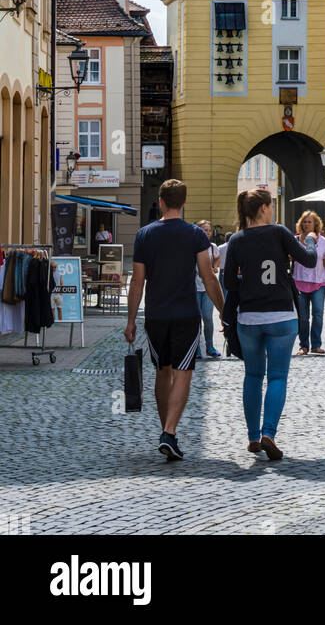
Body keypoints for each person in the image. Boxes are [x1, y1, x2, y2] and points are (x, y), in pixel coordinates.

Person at [124, 178, 224, 461]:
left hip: (156, 315)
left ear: (161, 202)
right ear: (184, 202)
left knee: (162, 371)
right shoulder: (196, 235)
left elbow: (137, 283)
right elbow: (208, 276)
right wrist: (224, 312)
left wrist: (131, 321)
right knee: (183, 372)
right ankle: (169, 432)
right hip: (186, 315)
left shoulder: (144, 235)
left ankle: (167, 431)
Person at [223, 188, 317, 460]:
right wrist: (310, 239)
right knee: (277, 377)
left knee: (252, 376)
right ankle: (268, 433)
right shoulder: (280, 233)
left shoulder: (237, 239)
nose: (273, 210)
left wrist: (248, 281)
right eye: (272, 205)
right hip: (281, 316)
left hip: (249, 317)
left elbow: (229, 283)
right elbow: (308, 260)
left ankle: (252, 437)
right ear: (263, 208)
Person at [291, 211, 325, 355]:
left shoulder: (323, 242)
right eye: (305, 221)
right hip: (299, 283)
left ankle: (316, 344)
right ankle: (303, 346)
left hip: (319, 283)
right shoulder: (295, 241)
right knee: (302, 317)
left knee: (318, 313)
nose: (307, 224)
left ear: (316, 224)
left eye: (310, 222)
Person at [195, 220, 221, 359]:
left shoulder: (212, 247)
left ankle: (210, 346)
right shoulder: (191, 246)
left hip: (207, 288)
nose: (207, 233)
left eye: (209, 230)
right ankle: (196, 348)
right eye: (204, 230)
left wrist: (215, 266)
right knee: (196, 318)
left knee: (208, 318)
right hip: (194, 287)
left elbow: (217, 258)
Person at [217, 232, 233, 300]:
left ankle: (224, 304)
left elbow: (217, 259)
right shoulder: (235, 246)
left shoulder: (220, 247)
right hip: (232, 269)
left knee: (223, 289)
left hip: (223, 269)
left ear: (225, 238)